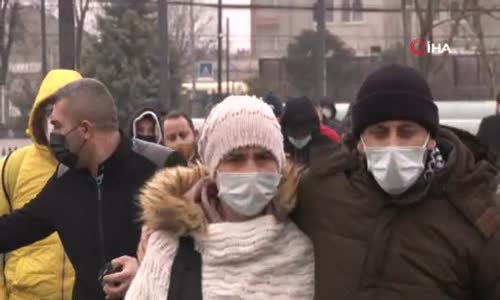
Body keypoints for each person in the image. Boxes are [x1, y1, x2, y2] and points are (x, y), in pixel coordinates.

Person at [294, 65, 500, 300]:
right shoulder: (323, 193)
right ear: (360, 141)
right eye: (379, 133)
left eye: (406, 132)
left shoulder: (479, 215)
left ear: (431, 139)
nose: (393, 144)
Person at [0, 78, 186, 300]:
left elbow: (200, 251)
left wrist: (147, 271)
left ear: (85, 130)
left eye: (58, 126)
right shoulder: (64, 181)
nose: (53, 137)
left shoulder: (162, 167)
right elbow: (13, 230)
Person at [126, 95, 314, 299]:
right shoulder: (170, 246)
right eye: (235, 158)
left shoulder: (301, 250)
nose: (250, 170)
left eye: (263, 157)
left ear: (279, 164)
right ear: (213, 169)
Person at [0, 69, 82, 300]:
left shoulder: (94, 167)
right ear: (38, 116)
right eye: (49, 112)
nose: (55, 121)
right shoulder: (12, 167)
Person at [281, 96, 338, 165]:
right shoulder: (279, 140)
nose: (299, 138)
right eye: (294, 136)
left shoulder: (329, 137)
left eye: (304, 134)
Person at [477, 92, 500, 159]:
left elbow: (478, 146)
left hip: (491, 165)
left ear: (498, 104)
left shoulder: (487, 122)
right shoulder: (488, 122)